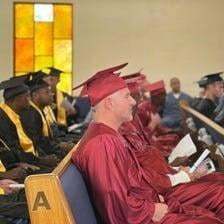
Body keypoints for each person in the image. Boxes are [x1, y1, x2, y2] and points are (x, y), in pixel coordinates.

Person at [72, 63, 224, 224]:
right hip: (141, 216)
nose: (133, 101)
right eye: (126, 96)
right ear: (109, 103)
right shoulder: (102, 142)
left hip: (149, 203)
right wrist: (150, 209)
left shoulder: (107, 135)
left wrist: (152, 192)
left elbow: (132, 180)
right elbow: (116, 203)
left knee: (210, 212)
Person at [0, 77, 57, 172]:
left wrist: (42, 158)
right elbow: (12, 151)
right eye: (27, 96)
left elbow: (32, 142)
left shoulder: (16, 115)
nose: (30, 100)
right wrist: (40, 160)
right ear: (16, 100)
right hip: (10, 168)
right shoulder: (3, 119)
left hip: (22, 162)